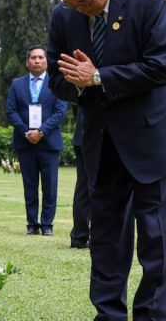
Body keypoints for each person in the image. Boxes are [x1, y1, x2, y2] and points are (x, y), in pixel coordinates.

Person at [47, 0, 166, 321]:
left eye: (84, 0)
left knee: (157, 240)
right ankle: (108, 316)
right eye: (71, 3)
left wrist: (98, 77)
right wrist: (77, 84)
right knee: (107, 238)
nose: (79, 9)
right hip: (102, 142)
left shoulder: (146, 1)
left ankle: (151, 316)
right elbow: (57, 80)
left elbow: (160, 68)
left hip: (153, 140)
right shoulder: (64, 16)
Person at [6, 45, 68, 237]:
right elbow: (11, 111)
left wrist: (40, 132)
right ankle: (32, 224)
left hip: (49, 143)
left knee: (50, 186)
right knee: (30, 185)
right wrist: (27, 132)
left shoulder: (57, 82)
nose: (37, 60)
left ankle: (47, 224)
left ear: (46, 61)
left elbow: (60, 112)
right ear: (27, 62)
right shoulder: (17, 84)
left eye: (41, 57)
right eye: (33, 57)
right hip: (25, 143)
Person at [70, 104, 90, 249]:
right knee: (102, 186)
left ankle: (79, 235)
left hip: (81, 134)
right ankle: (98, 235)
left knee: (82, 187)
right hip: (98, 134)